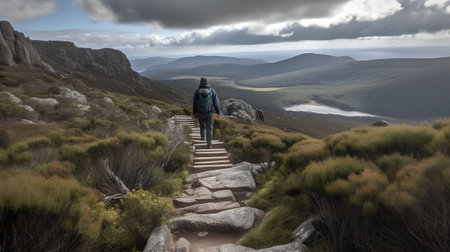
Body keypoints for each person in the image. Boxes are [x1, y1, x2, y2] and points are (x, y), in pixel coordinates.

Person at [193, 77, 220, 149]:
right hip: (209, 113)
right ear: (208, 83)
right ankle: (209, 144)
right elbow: (216, 103)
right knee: (209, 128)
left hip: (200, 113)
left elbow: (194, 104)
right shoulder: (212, 91)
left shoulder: (197, 92)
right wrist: (218, 112)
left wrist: (194, 112)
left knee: (202, 126)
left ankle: (202, 137)